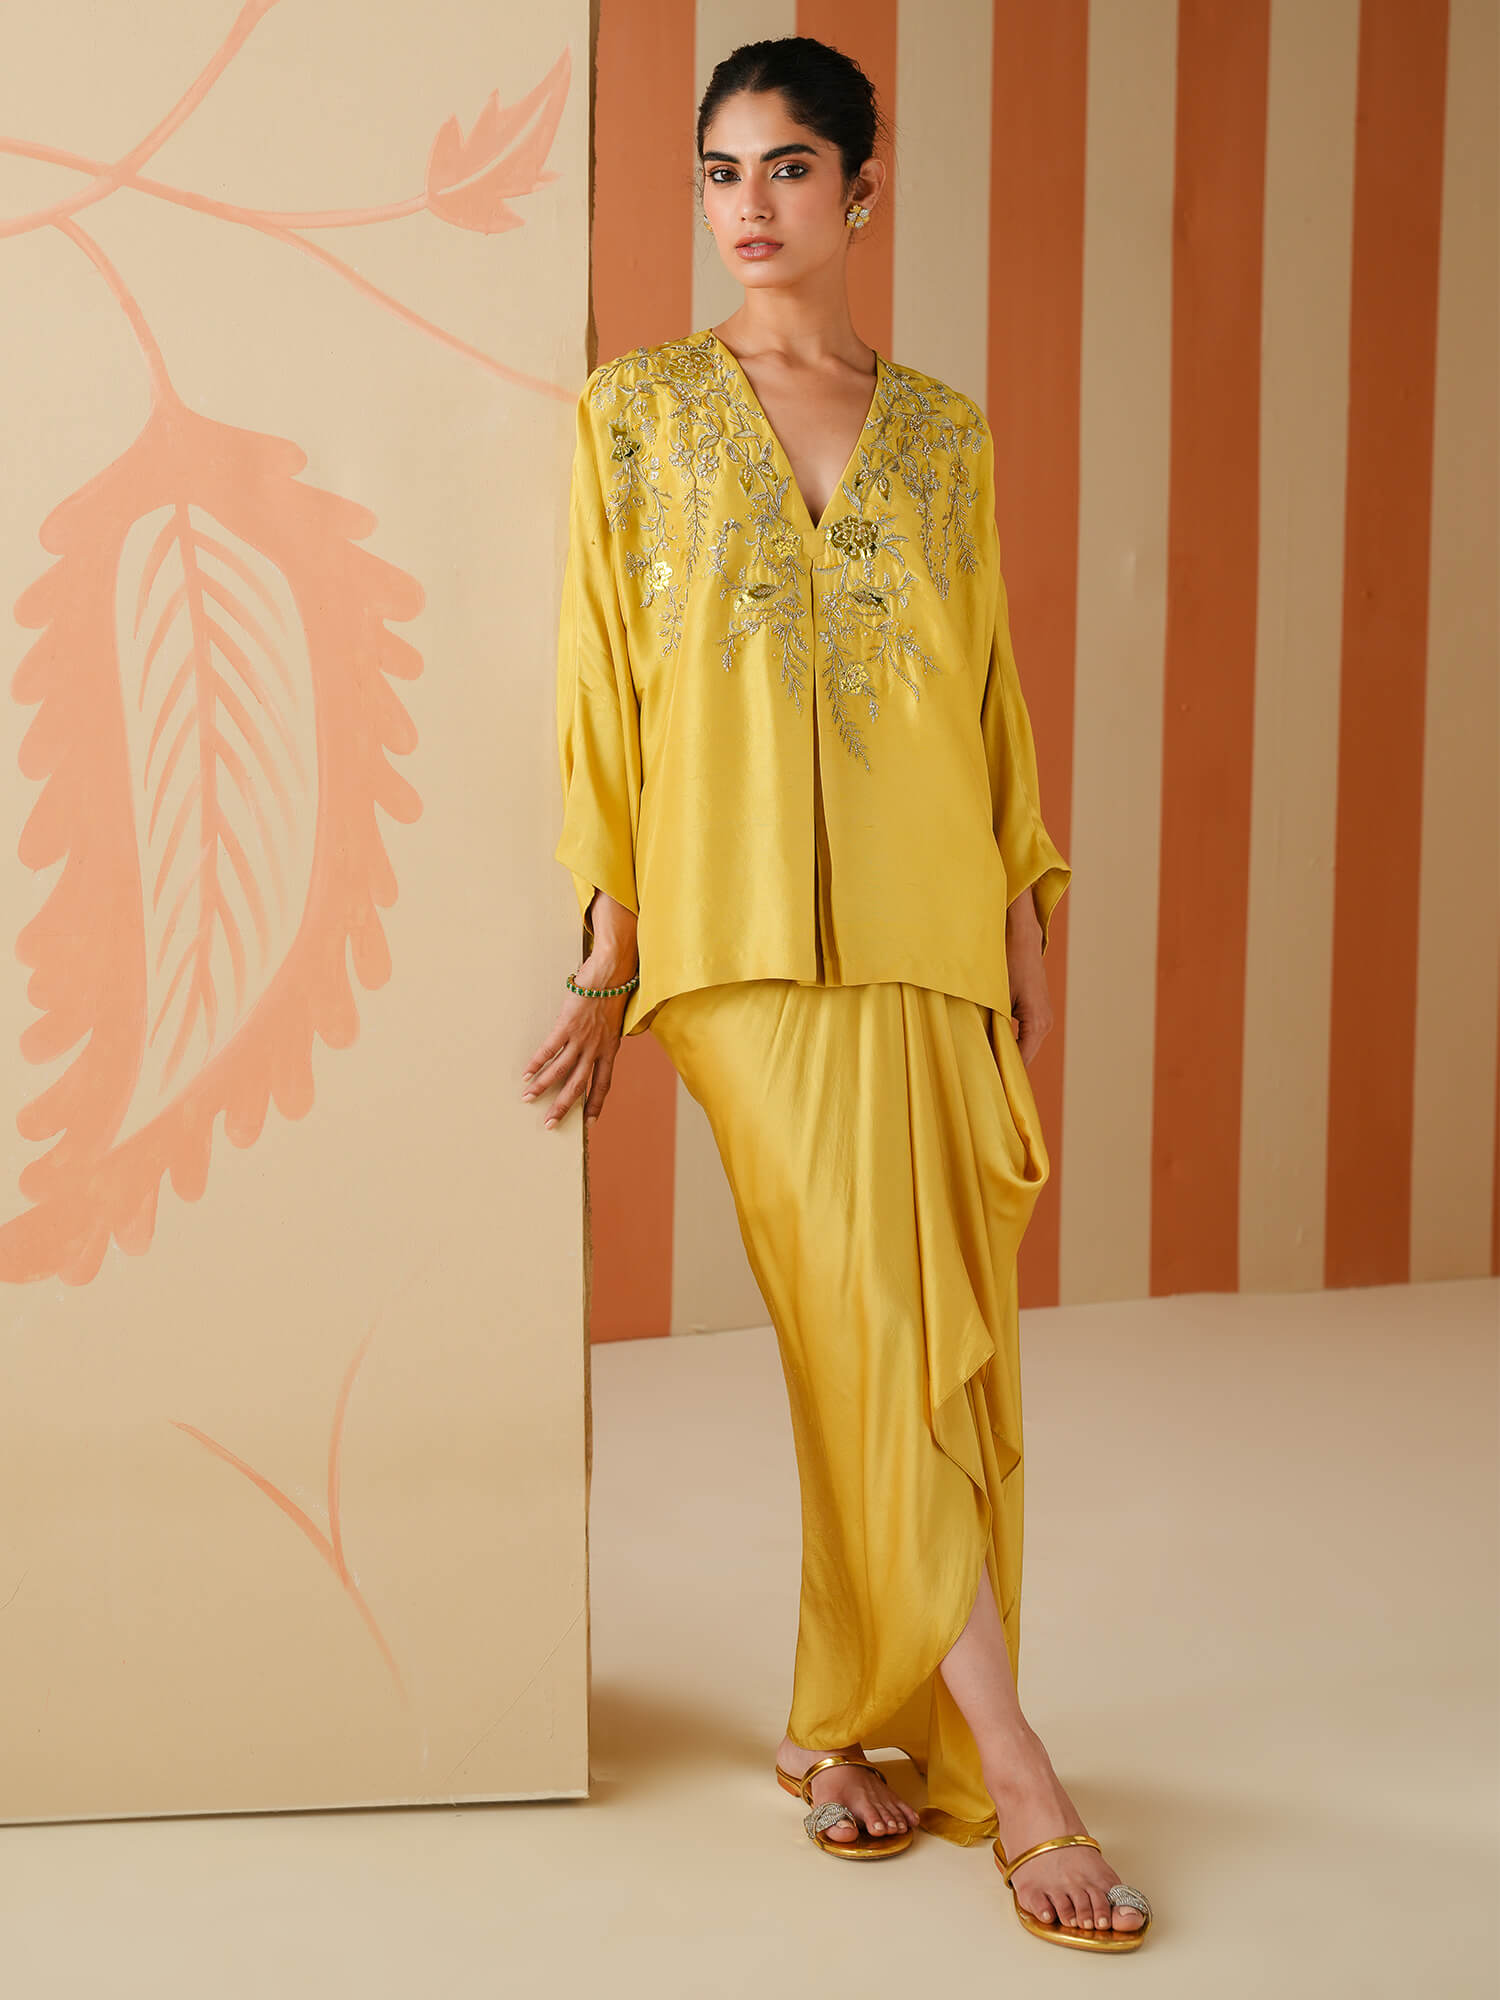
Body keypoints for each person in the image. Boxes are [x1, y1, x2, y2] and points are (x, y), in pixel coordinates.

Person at [524, 35, 1153, 1954]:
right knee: (876, 1321)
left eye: (790, 167)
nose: (751, 205)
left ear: (861, 191)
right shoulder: (635, 413)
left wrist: (1025, 911)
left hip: (929, 927)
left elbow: (987, 685)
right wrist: (611, 943)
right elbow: (603, 674)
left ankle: (838, 1723)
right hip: (733, 943)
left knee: (906, 1329)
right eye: (721, 172)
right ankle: (1015, 1765)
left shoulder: (942, 433)